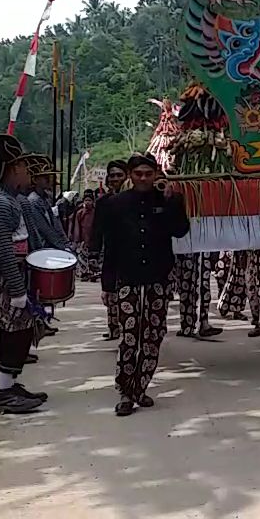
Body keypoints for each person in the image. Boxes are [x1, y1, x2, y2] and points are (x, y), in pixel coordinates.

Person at [94, 152, 190, 417]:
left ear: (156, 173)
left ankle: (141, 387)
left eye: (148, 174)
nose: (144, 179)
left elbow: (181, 230)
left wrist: (170, 202)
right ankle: (125, 391)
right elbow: (110, 247)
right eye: (138, 174)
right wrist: (107, 285)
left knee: (153, 336)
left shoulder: (169, 200)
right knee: (129, 336)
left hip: (158, 279)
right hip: (128, 279)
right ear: (130, 175)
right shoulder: (116, 204)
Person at [0, 133, 48, 415]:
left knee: (21, 332)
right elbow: (4, 250)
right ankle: (4, 392)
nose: (28, 171)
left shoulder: (13, 200)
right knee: (12, 333)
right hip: (10, 279)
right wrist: (17, 290)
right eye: (23, 165)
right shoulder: (0, 203)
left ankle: (12, 384)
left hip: (19, 275)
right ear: (12, 168)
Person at [94, 159, 129, 340]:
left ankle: (127, 327)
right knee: (110, 288)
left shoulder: (134, 199)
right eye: (112, 175)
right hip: (110, 250)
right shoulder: (103, 202)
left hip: (130, 250)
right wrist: (94, 251)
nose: (115, 179)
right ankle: (114, 327)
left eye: (119, 175)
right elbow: (97, 229)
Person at [22, 155, 69, 252]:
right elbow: (45, 229)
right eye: (45, 177)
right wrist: (62, 246)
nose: (50, 179)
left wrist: (65, 243)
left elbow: (55, 224)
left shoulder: (44, 199)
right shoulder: (33, 200)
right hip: (42, 249)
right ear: (35, 179)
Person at [72, 190, 99, 281]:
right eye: (86, 200)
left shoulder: (96, 213)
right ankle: (84, 273)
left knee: (93, 257)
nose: (87, 202)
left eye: (89, 200)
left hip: (93, 238)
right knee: (83, 257)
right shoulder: (80, 213)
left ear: (93, 202)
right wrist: (77, 239)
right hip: (83, 238)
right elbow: (76, 226)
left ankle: (93, 273)